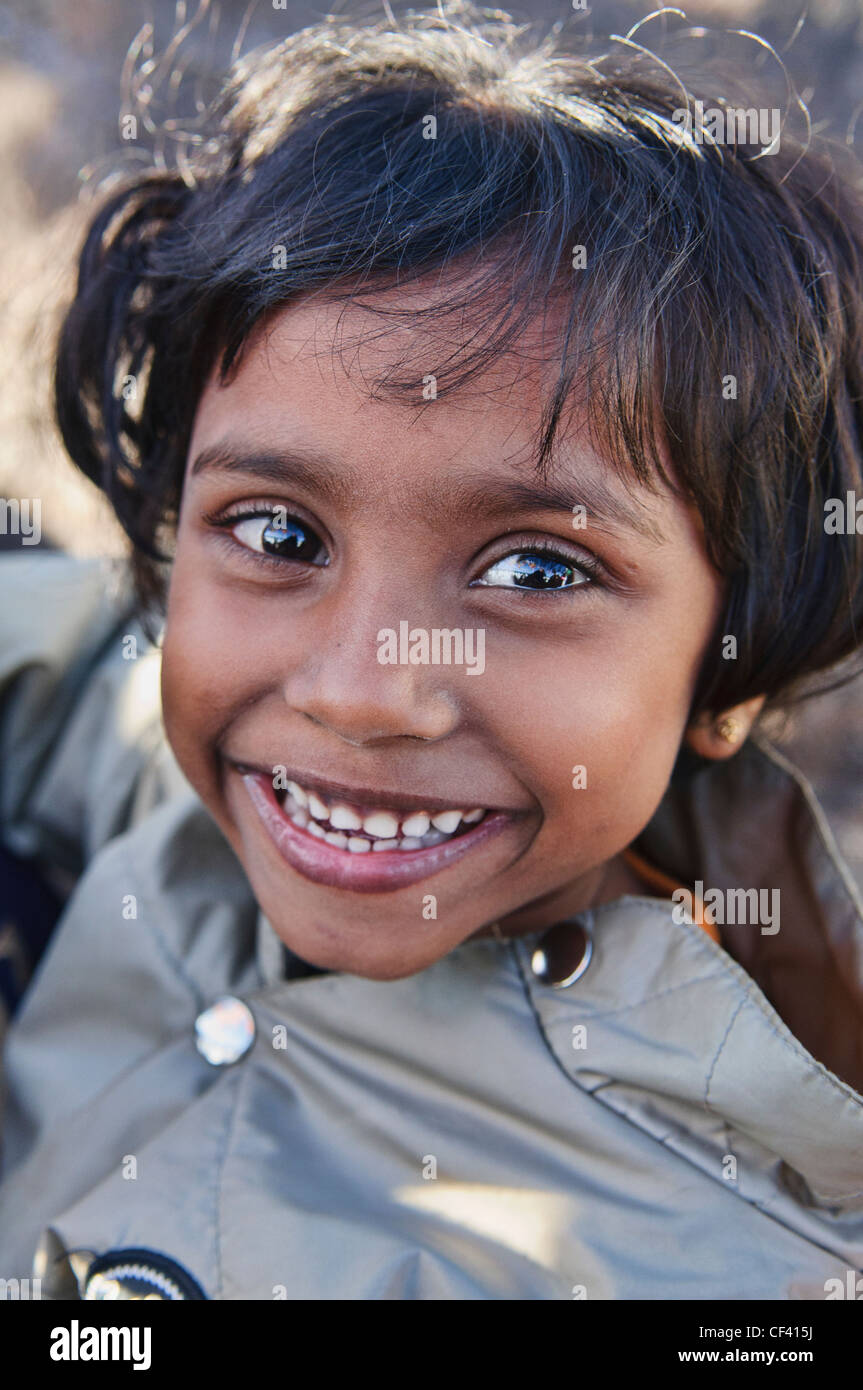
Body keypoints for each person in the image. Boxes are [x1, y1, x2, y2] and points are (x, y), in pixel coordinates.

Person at [1, 5, 862, 1300]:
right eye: (279, 532)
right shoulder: (172, 779)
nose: (355, 690)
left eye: (536, 569)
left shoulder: (719, 1264)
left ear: (728, 667)